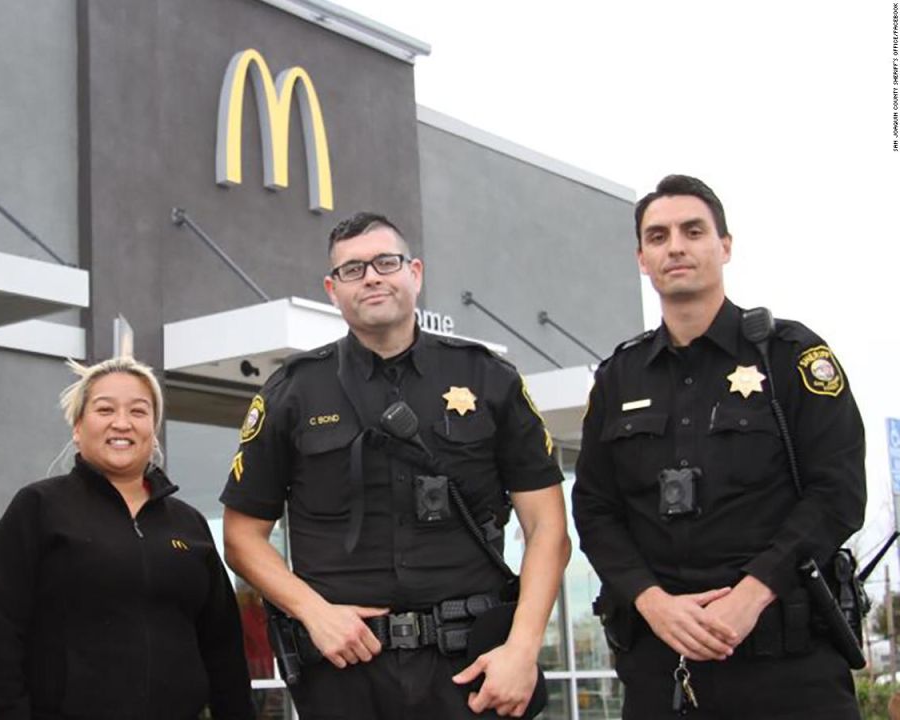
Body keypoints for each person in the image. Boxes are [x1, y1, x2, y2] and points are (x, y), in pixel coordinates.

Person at [220, 212, 570, 719]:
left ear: (416, 273)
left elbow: (549, 528)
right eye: (353, 269)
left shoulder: (489, 379)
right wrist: (314, 614)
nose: (372, 277)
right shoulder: (292, 391)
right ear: (331, 290)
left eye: (387, 262)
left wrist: (522, 649)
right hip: (345, 671)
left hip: (472, 672)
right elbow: (241, 537)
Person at [571, 175, 865, 718]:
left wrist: (750, 596)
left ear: (724, 246)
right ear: (641, 258)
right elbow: (594, 508)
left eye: (693, 231)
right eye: (657, 237)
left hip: (789, 667)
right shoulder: (618, 377)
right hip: (663, 669)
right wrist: (651, 602)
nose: (675, 246)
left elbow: (838, 493)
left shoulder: (789, 356)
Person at [0, 356, 254, 720]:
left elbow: (223, 649)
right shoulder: (39, 508)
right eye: (104, 409)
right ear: (78, 426)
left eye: (139, 412)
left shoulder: (189, 525)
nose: (122, 423)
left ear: (153, 429)